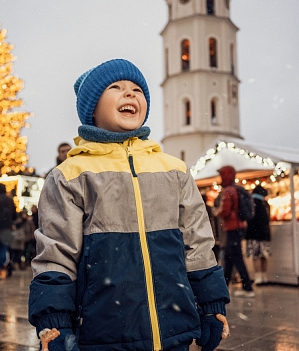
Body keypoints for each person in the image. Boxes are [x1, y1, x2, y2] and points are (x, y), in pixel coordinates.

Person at [28, 59, 230, 351]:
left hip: (173, 328)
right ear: (92, 109)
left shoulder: (173, 169)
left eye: (137, 89)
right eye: (116, 87)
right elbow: (56, 253)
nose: (130, 94)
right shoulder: (71, 174)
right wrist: (55, 319)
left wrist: (212, 302)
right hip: (105, 330)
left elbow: (197, 243)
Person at [215, 165, 255, 298]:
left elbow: (225, 210)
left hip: (233, 227)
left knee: (235, 257)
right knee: (230, 257)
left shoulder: (228, 191)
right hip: (239, 226)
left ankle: (247, 287)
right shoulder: (237, 189)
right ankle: (226, 287)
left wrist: (217, 212)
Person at [246, 185, 271, 285]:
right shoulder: (265, 204)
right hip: (265, 234)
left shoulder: (251, 203)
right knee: (264, 255)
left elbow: (249, 218)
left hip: (253, 234)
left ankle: (258, 277)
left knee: (255, 256)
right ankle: (264, 276)